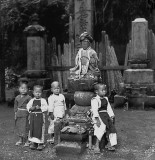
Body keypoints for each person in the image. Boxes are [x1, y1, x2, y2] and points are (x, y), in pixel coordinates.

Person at [91, 83, 117, 153]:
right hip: (99, 116)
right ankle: (96, 145)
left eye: (105, 90)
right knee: (100, 128)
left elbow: (109, 108)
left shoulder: (106, 99)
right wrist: (97, 119)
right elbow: (94, 110)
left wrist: (111, 115)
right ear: (97, 91)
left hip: (106, 115)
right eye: (102, 90)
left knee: (112, 128)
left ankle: (110, 143)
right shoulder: (95, 100)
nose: (104, 92)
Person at [27, 85, 48, 150]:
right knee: (33, 129)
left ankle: (40, 143)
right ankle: (34, 143)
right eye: (36, 92)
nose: (38, 94)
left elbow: (46, 107)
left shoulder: (43, 100)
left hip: (40, 117)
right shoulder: (31, 100)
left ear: (42, 93)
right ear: (33, 93)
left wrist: (41, 108)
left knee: (40, 129)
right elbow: (28, 107)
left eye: (39, 92)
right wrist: (31, 108)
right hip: (33, 117)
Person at [14, 82, 31, 146]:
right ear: (19, 89)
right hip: (19, 113)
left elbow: (30, 106)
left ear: (28, 90)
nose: (23, 90)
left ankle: (27, 140)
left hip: (26, 114)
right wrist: (15, 113)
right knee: (19, 127)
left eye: (25, 88)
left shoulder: (29, 97)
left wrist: (30, 114)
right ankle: (20, 139)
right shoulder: (17, 97)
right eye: (22, 88)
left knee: (26, 127)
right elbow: (15, 106)